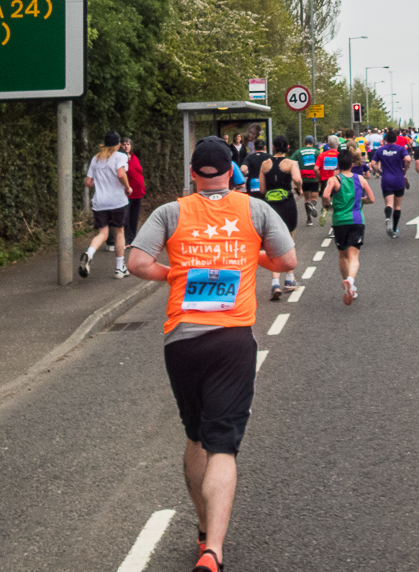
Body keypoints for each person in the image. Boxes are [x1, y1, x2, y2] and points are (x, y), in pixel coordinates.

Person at [127, 137, 296, 572]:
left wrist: (176, 274)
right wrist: (250, 259)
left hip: (181, 340)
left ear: (192, 173)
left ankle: (202, 528)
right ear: (233, 172)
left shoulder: (171, 212)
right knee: (222, 444)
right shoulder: (254, 209)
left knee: (195, 435)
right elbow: (287, 259)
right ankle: (213, 550)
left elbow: (136, 262)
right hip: (233, 338)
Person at [323, 148, 375, 304]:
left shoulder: (334, 180)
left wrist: (327, 205)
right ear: (352, 165)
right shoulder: (361, 179)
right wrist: (360, 201)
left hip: (339, 221)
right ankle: (351, 282)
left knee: (342, 255)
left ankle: (347, 280)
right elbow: (371, 199)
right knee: (354, 256)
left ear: (338, 165)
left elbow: (326, 195)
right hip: (357, 220)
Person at [80, 132, 132, 278]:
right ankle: (119, 268)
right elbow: (121, 174)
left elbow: (88, 182)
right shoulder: (120, 156)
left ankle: (89, 253)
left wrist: (101, 183)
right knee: (119, 232)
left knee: (103, 234)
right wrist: (127, 188)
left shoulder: (96, 158)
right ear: (117, 145)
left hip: (100, 202)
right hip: (117, 201)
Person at [260, 136, 303, 299]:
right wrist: (298, 189)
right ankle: (290, 279)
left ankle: (275, 282)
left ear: (272, 147)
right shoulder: (291, 163)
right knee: (290, 240)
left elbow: (262, 189)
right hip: (287, 204)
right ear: (288, 147)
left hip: (271, 206)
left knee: (272, 244)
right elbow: (297, 179)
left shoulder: (265, 164)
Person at [371, 129, 411, 237]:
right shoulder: (401, 149)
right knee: (397, 206)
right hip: (398, 178)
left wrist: (378, 171)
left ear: (386, 139)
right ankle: (394, 228)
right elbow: (408, 159)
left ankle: (388, 217)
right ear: (396, 139)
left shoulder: (380, 150)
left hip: (386, 179)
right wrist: (405, 170)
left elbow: (373, 163)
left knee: (389, 203)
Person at [121, 137, 146, 247]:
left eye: (128, 144)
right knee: (126, 216)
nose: (126, 146)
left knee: (134, 217)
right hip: (127, 193)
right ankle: (126, 240)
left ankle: (132, 239)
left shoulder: (134, 157)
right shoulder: (121, 158)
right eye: (124, 144)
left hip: (138, 192)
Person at [292, 135, 321, 225]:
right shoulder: (316, 152)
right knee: (314, 198)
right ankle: (312, 205)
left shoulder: (299, 152)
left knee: (306, 199)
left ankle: (309, 219)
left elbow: (291, 161)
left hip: (303, 178)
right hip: (314, 177)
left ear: (305, 142)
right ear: (312, 143)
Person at [315, 135, 341, 226]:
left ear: (328, 144)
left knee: (324, 196)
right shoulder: (339, 156)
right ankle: (334, 221)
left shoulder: (322, 155)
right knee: (336, 201)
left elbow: (316, 168)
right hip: (336, 181)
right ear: (337, 144)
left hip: (324, 180)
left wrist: (320, 177)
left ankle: (325, 209)